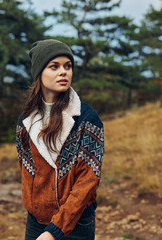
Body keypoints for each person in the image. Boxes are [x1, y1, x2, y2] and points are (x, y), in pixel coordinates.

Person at [16, 39, 104, 240]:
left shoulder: (87, 119)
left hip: (76, 222)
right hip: (36, 222)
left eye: (68, 66)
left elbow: (87, 181)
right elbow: (27, 170)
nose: (63, 72)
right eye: (54, 67)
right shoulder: (25, 121)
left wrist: (54, 231)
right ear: (40, 72)